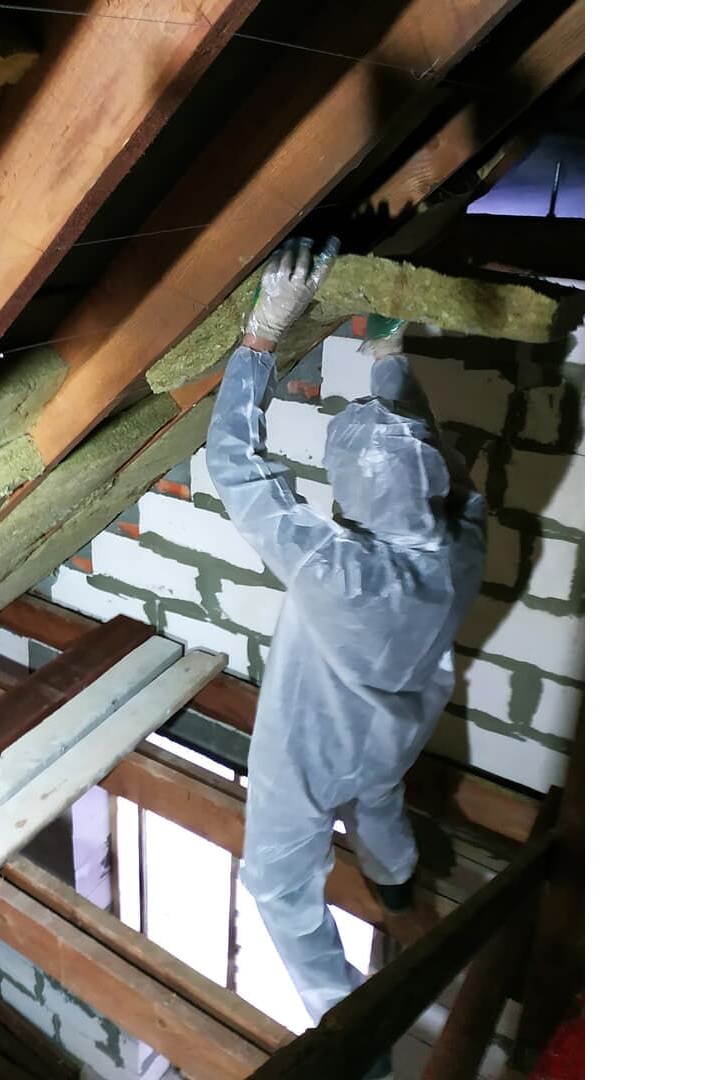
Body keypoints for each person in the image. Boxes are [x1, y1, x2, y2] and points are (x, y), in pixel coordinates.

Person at [206, 236, 489, 1039]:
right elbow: (429, 460)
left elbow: (234, 465)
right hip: (395, 733)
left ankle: (345, 1025)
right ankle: (397, 883)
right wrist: (390, 360)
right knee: (380, 804)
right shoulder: (463, 545)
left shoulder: (340, 571)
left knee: (278, 886)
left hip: (309, 753)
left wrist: (260, 337)